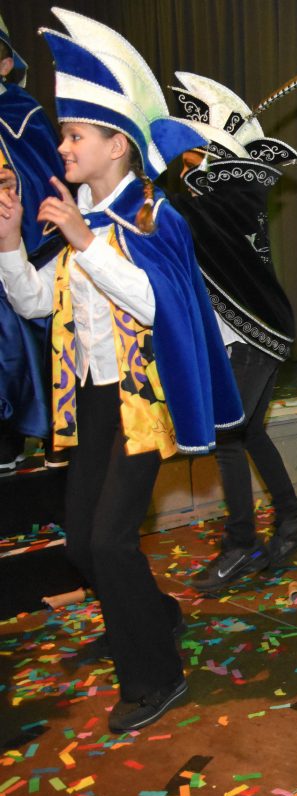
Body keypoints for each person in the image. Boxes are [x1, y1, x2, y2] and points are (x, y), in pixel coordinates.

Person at [0, 9, 242, 733]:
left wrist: (85, 241)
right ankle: (151, 613)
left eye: (75, 135)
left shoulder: (153, 215)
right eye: (65, 134)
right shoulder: (76, 213)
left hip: (146, 401)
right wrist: (10, 241)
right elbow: (40, 304)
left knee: (109, 540)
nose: (62, 146)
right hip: (96, 400)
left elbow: (156, 303)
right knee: (82, 542)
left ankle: (156, 678)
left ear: (116, 144)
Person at [166, 73, 297, 593]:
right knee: (250, 431)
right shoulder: (223, 194)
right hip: (259, 333)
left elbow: (179, 219)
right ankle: (292, 517)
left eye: (190, 149)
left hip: (252, 337)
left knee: (226, 437)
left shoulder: (227, 195)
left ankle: (241, 545)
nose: (181, 162)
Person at [0, 12, 64, 472]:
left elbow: (46, 177)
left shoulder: (24, 115)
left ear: (6, 65)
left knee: (21, 348)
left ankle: (25, 436)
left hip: (21, 251)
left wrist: (13, 187)